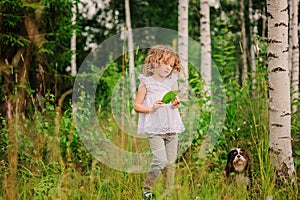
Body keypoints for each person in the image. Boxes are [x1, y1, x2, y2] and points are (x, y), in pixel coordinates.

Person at [134, 45, 185, 199]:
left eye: (171, 65)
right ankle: (147, 191)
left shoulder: (172, 81)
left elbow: (175, 101)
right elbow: (137, 106)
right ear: (155, 62)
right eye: (166, 64)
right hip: (155, 128)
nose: (168, 68)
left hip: (171, 126)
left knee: (170, 164)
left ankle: (167, 195)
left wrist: (177, 103)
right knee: (160, 160)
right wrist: (151, 108)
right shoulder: (146, 82)